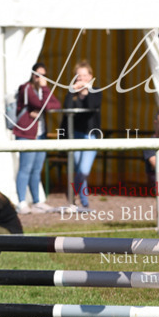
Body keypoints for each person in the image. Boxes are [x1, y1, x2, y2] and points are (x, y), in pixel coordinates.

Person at [13, 61, 61, 214]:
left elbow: (56, 105)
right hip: (26, 134)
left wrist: (41, 104)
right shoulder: (26, 88)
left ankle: (37, 201)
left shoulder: (42, 92)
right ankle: (21, 202)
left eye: (43, 75)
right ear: (32, 75)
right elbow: (45, 105)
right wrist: (45, 91)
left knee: (36, 169)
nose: (40, 78)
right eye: (37, 74)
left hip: (40, 135)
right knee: (25, 168)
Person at [61, 59, 102, 212]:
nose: (81, 79)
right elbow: (67, 111)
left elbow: (92, 106)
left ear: (90, 76)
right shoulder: (71, 95)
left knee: (84, 170)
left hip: (91, 135)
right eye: (79, 76)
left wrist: (86, 91)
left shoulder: (96, 92)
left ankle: (71, 195)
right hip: (75, 135)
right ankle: (84, 203)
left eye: (84, 76)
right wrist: (74, 92)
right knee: (78, 169)